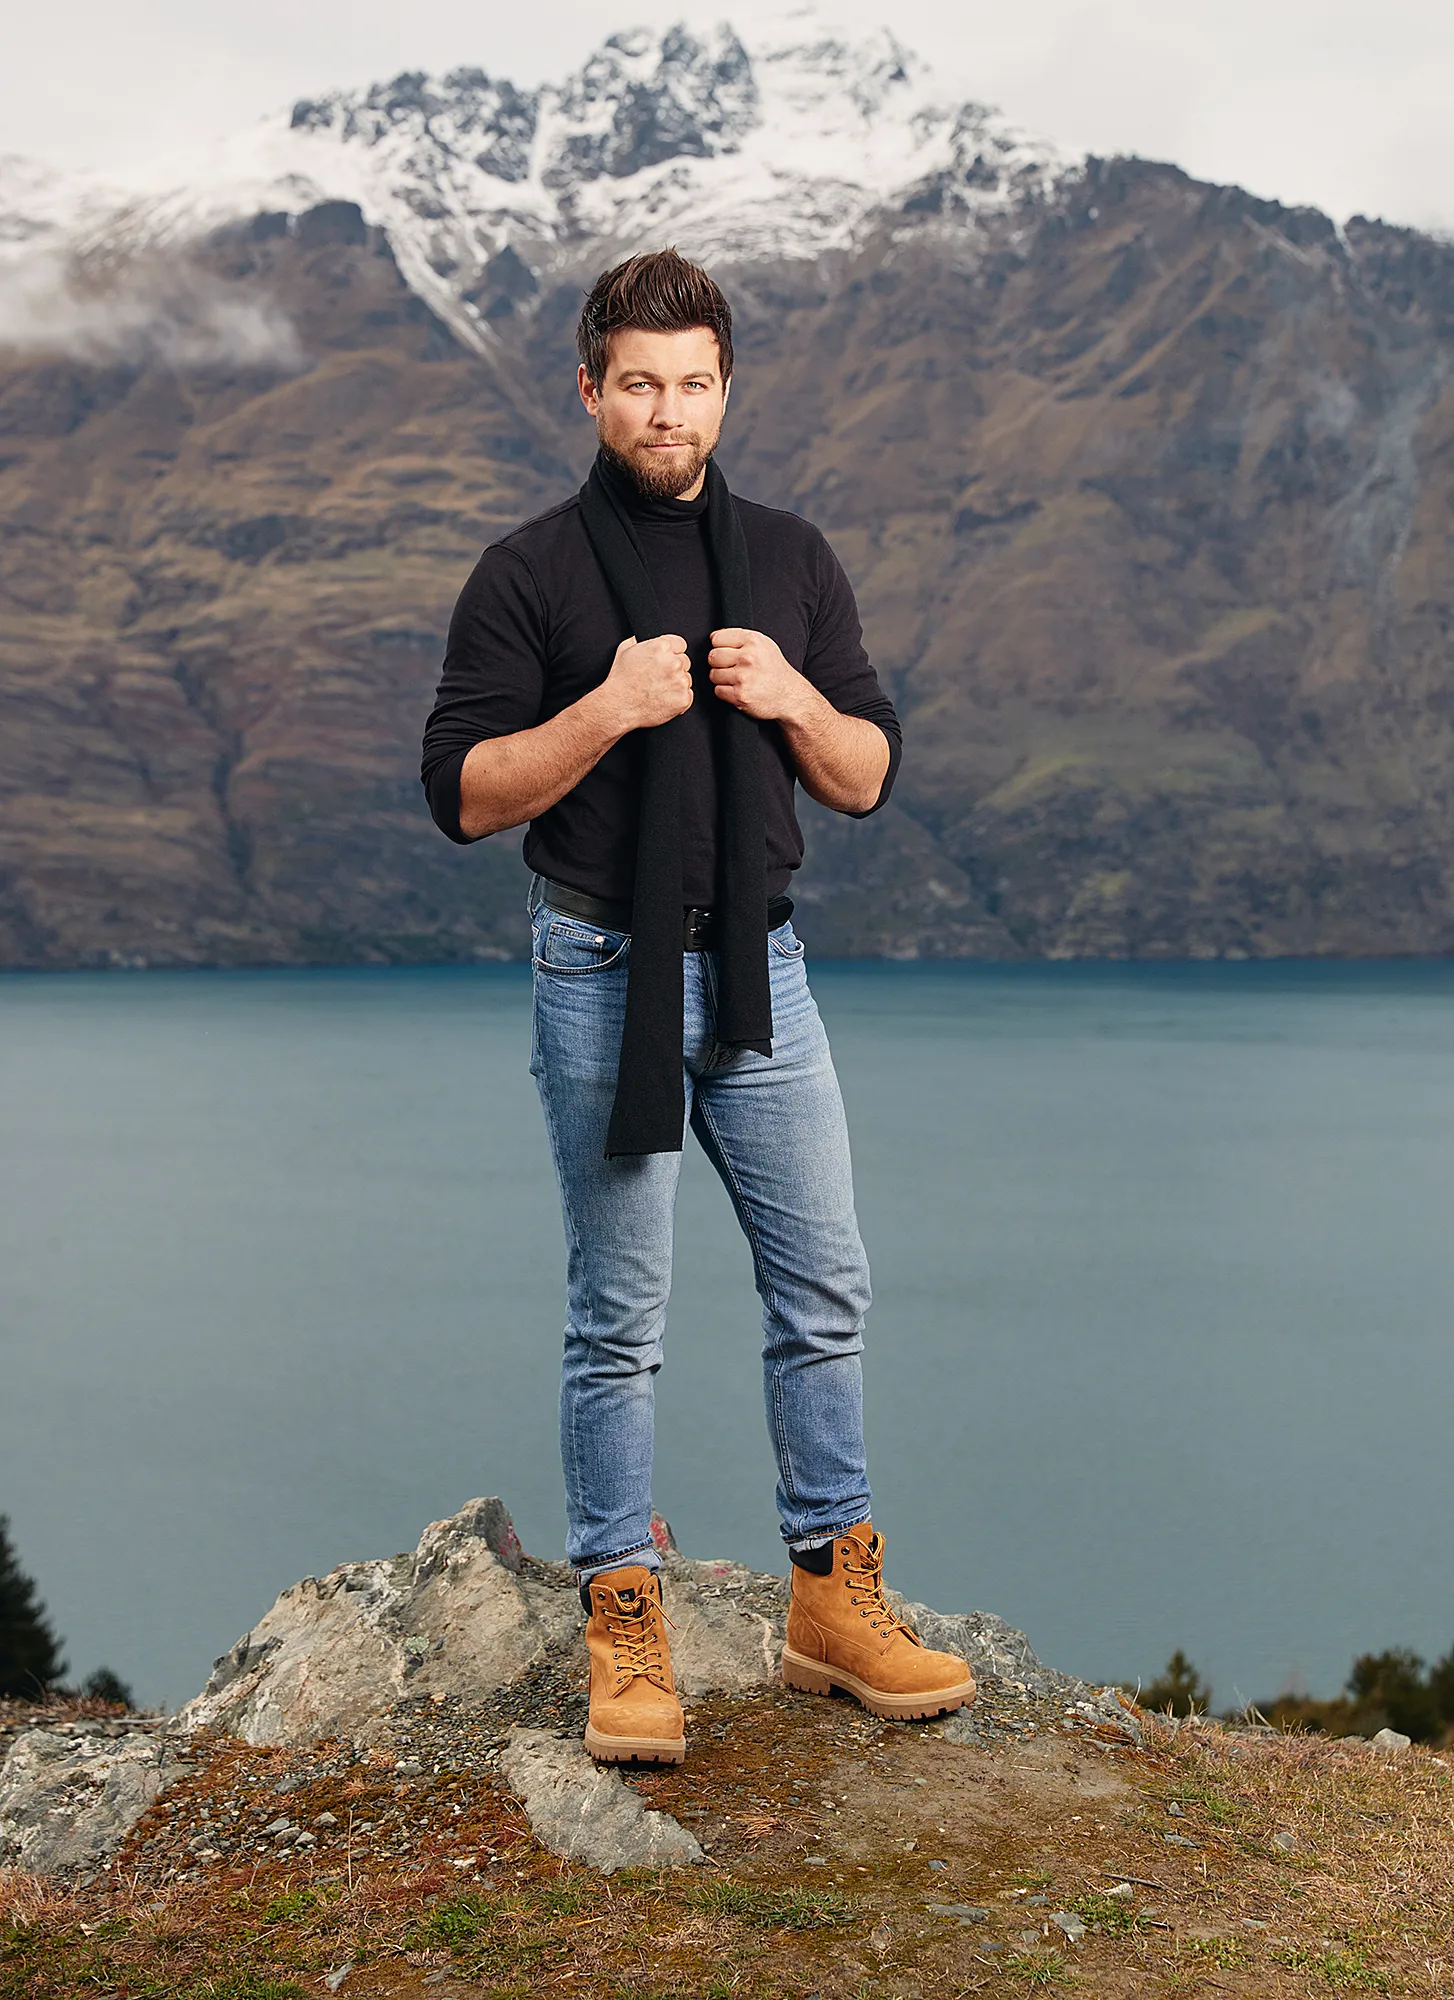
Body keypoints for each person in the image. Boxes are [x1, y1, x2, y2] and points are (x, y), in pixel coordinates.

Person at [421, 247, 975, 1765]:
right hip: (601, 970)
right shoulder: (526, 573)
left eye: (693, 383)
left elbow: (865, 774)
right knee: (619, 1320)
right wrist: (604, 710)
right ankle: (622, 1620)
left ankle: (831, 1607)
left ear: (726, 391)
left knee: (826, 1289)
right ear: (589, 391)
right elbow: (462, 795)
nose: (668, 411)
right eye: (640, 384)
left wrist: (793, 697)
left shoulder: (792, 559)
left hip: (759, 970)